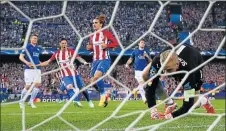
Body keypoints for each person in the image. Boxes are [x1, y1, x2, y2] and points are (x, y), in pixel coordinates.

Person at [142, 44, 215, 120]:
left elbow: (187, 106)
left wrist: (170, 116)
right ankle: (170, 103)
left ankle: (204, 100)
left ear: (177, 64)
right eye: (163, 69)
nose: (166, 74)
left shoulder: (188, 71)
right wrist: (153, 110)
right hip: (173, 54)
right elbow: (150, 87)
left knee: (193, 104)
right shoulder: (157, 61)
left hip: (196, 65)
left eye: (169, 70)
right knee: (145, 75)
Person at [37, 38, 94, 108]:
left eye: (65, 43)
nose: (64, 44)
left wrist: (85, 62)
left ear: (67, 44)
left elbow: (78, 58)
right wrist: (37, 65)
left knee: (82, 89)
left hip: (74, 74)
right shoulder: (56, 54)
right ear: (60, 44)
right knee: (69, 87)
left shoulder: (71, 51)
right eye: (62, 43)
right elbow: (47, 62)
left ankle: (89, 101)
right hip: (65, 76)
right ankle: (76, 101)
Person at [86, 14, 118, 107]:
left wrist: (107, 46)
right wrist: (90, 48)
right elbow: (94, 48)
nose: (93, 24)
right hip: (95, 60)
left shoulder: (106, 33)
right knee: (92, 81)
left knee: (96, 77)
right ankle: (105, 95)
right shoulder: (92, 36)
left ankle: (103, 95)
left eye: (95, 23)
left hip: (105, 59)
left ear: (101, 24)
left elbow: (115, 43)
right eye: (93, 23)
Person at [19, 34, 42, 108]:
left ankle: (31, 101)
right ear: (30, 39)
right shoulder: (27, 47)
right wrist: (27, 63)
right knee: (28, 86)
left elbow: (36, 58)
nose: (35, 39)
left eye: (36, 38)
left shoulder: (38, 48)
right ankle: (21, 101)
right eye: (34, 38)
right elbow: (21, 57)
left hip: (37, 69)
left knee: (38, 85)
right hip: (29, 69)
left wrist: (41, 63)